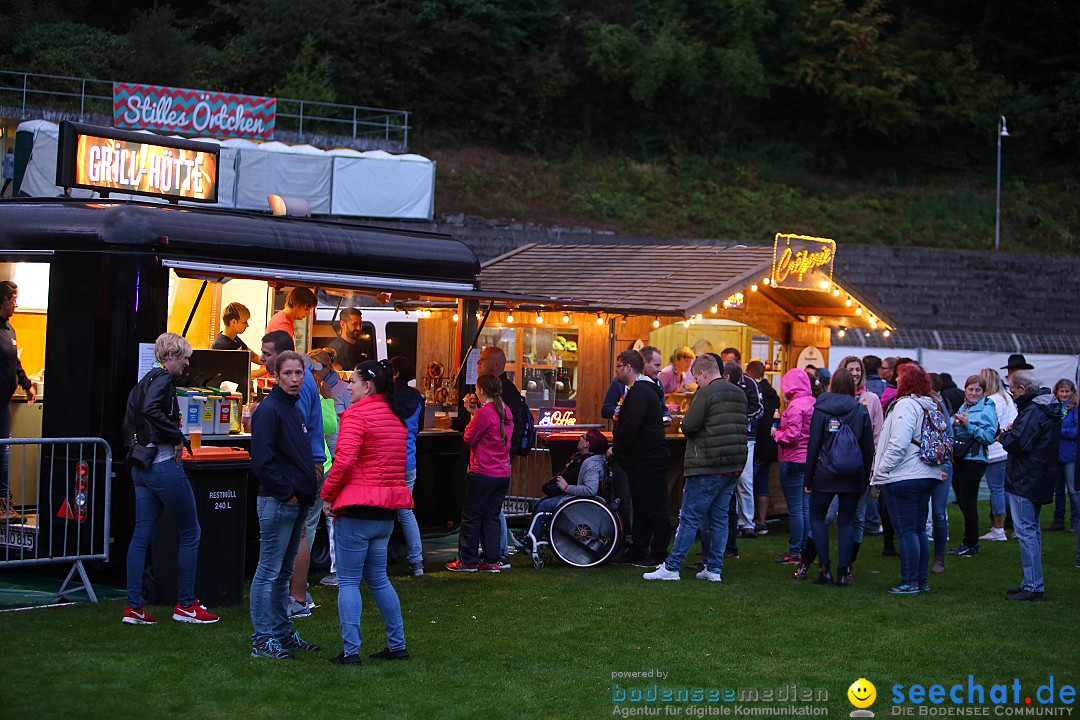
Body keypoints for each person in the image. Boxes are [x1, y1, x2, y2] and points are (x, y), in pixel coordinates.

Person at [121, 333, 218, 626]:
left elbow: (133, 418)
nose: (187, 364)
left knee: (141, 535)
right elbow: (152, 411)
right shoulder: (163, 380)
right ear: (171, 356)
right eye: (185, 357)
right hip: (162, 464)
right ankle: (186, 604)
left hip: (141, 463)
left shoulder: (144, 381)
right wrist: (176, 435)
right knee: (190, 531)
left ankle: (133, 607)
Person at [321, 359, 414, 664]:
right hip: (386, 510)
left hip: (357, 508)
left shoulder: (356, 416)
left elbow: (344, 460)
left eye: (353, 381)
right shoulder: (396, 417)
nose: (348, 386)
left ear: (368, 385)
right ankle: (397, 645)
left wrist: (328, 494)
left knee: (348, 581)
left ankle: (351, 651)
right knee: (379, 578)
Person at [644, 353, 746, 582]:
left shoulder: (705, 393)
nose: (696, 382)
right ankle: (714, 568)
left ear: (702, 373)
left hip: (707, 463)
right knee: (720, 518)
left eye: (696, 377)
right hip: (733, 463)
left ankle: (672, 566)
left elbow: (689, 425)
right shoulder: (739, 393)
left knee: (689, 517)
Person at [249, 350, 320, 659]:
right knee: (268, 571)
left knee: (282, 572)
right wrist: (286, 492)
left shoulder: (293, 409)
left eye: (298, 373)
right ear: (275, 377)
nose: (294, 379)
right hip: (279, 501)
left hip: (296, 500)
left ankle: (280, 631)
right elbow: (262, 461)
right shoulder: (270, 410)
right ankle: (262, 640)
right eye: (289, 373)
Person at [260, 331, 325, 620]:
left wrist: (291, 490)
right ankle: (284, 611)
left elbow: (281, 449)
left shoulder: (289, 403)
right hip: (297, 479)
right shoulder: (277, 406)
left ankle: (295, 598)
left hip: (300, 477)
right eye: (290, 373)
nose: (295, 378)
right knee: (285, 552)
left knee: (294, 542)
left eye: (268, 354)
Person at [870, 364, 943, 595]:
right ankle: (920, 580)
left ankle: (910, 581)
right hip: (926, 474)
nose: (896, 380)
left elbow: (898, 443)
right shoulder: (929, 406)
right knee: (919, 530)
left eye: (899, 377)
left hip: (906, 476)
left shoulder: (906, 406)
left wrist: (880, 472)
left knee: (906, 531)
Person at [801, 369, 875, 586]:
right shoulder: (861, 411)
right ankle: (843, 571)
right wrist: (865, 479)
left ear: (831, 384)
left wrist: (809, 478)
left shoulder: (821, 408)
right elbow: (868, 449)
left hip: (825, 472)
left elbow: (813, 445)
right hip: (853, 474)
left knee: (817, 518)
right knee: (846, 522)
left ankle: (825, 569)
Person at [1001, 369, 1062, 602]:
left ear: (1022, 389)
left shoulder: (1035, 410)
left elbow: (1019, 442)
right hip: (1039, 475)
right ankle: (1031, 581)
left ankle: (1034, 585)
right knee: (1032, 530)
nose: (1012, 394)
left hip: (1026, 477)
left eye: (1013, 390)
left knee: (1026, 531)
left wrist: (1005, 435)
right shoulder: (1048, 407)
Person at [447, 373, 514, 572]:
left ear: (481, 391)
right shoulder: (505, 410)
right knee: (491, 516)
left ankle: (468, 560)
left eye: (477, 389)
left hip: (483, 471)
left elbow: (469, 437)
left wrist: (472, 413)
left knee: (471, 516)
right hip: (502, 472)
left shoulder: (486, 413)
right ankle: (492, 560)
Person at [611, 349, 672, 567]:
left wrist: (616, 448)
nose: (616, 370)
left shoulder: (639, 392)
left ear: (628, 367)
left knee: (654, 506)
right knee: (643, 506)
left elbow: (630, 427)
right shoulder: (641, 391)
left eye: (619, 366)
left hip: (648, 459)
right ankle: (639, 548)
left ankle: (658, 553)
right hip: (643, 459)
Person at [309, 347, 348, 586]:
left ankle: (337, 570)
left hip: (327, 462)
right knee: (319, 518)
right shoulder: (319, 392)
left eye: (316, 368)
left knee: (324, 516)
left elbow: (332, 427)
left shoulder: (331, 391)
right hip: (325, 461)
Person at [947, 375, 998, 558]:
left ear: (984, 392)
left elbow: (989, 437)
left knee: (968, 502)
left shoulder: (986, 408)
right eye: (971, 389)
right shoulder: (964, 406)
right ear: (965, 390)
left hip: (974, 460)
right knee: (962, 500)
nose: (974, 393)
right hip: (960, 458)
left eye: (978, 390)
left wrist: (968, 425)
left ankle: (970, 544)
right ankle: (969, 542)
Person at [772, 368, 816, 564]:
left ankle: (795, 551)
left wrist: (775, 434)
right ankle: (804, 548)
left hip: (792, 459)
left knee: (796, 509)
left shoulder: (795, 406)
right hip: (807, 460)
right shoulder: (812, 403)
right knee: (805, 507)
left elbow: (791, 436)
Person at [0, 281, 35, 519]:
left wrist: (26, 384)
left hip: (3, 404)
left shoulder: (9, 329)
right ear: (3, 300)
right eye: (13, 299)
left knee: (4, 452)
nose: (16, 304)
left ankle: (3, 504)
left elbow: (15, 362)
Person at [720, 348, 763, 540]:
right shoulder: (719, 383)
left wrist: (739, 418)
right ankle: (731, 523)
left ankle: (747, 523)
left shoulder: (750, 383)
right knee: (727, 480)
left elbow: (758, 408)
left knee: (745, 480)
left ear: (738, 363)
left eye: (728, 362)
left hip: (747, 437)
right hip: (726, 437)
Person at [390, 356, 425, 576]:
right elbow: (419, 427)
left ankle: (379, 559)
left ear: (394, 373)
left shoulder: (385, 396)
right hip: (408, 460)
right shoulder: (417, 397)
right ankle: (417, 560)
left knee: (381, 510)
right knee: (406, 512)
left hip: (388, 460)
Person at [978, 367, 1016, 542]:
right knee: (1007, 489)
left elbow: (989, 426)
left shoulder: (990, 400)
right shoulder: (1006, 396)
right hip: (1008, 449)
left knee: (997, 490)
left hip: (995, 450)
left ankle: (999, 528)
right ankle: (1017, 523)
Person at [533, 429, 609, 515]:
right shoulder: (581, 457)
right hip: (576, 498)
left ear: (586, 444)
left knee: (543, 506)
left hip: (581, 502)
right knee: (540, 503)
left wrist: (566, 487)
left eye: (582, 437)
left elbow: (590, 490)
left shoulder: (592, 464)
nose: (580, 438)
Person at [746, 360, 779, 534]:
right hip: (771, 444)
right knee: (763, 483)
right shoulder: (773, 393)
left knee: (748, 483)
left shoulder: (755, 392)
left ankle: (748, 520)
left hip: (758, 444)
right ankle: (762, 520)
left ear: (749, 372)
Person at [1050, 379, 1078, 532]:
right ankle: (1058, 521)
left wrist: (1059, 432)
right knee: (1058, 490)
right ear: (1057, 392)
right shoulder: (1054, 408)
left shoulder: (1075, 409)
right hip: (1056, 454)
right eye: (1062, 391)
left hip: (1070, 455)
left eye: (1067, 391)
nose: (1064, 394)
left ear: (1072, 392)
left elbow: (1076, 431)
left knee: (1073, 490)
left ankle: (1076, 521)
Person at [328, 307, 374, 372]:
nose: (359, 328)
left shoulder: (362, 348)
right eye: (355, 324)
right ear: (342, 324)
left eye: (360, 324)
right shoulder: (334, 349)